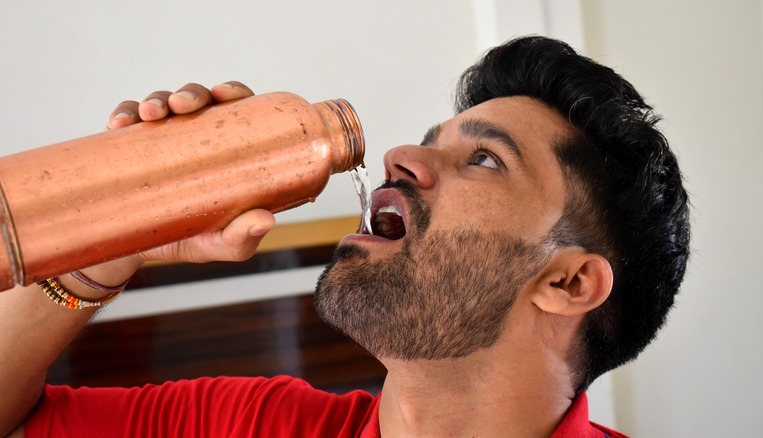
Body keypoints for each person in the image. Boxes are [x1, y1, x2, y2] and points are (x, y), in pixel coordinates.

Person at [0, 35, 689, 437]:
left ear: (568, 282)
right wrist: (111, 243)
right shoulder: (251, 422)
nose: (400, 158)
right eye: (428, 142)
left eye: (485, 159)